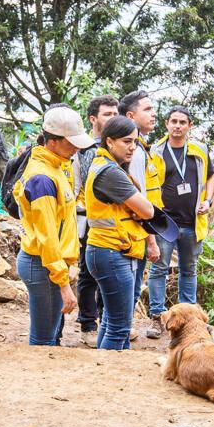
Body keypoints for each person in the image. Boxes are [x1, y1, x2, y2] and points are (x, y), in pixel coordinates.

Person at [13, 106, 92, 345]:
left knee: (48, 333)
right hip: (42, 264)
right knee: (44, 338)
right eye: (72, 143)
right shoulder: (42, 179)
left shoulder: (56, 167)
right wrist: (63, 283)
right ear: (53, 142)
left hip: (47, 263)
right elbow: (47, 237)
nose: (76, 149)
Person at [83, 115, 156, 350]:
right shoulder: (110, 172)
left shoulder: (105, 166)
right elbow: (147, 210)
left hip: (106, 249)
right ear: (109, 141)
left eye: (135, 141)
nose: (132, 147)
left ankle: (103, 374)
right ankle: (108, 376)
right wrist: (142, 211)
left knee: (110, 320)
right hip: (111, 251)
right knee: (119, 326)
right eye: (126, 141)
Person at [146, 106, 214, 338]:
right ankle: (158, 317)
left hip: (192, 222)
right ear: (166, 124)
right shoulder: (156, 151)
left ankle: (190, 320)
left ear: (190, 126)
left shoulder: (199, 150)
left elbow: (210, 176)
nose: (177, 126)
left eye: (182, 122)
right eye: (173, 121)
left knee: (189, 270)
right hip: (165, 223)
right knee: (159, 269)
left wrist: (208, 200)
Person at [75, 95, 120, 347]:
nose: (113, 118)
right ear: (93, 119)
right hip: (88, 219)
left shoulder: (114, 148)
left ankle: (106, 322)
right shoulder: (87, 150)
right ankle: (88, 325)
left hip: (111, 221)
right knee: (88, 273)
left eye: (116, 114)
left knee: (108, 271)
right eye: (107, 115)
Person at [118, 90, 164, 337]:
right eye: (147, 109)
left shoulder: (142, 148)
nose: (153, 113)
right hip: (136, 234)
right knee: (131, 289)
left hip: (139, 231)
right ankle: (120, 333)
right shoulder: (133, 152)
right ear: (130, 115)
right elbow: (139, 201)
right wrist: (152, 240)